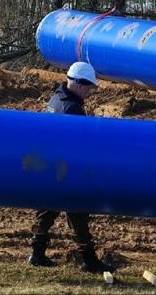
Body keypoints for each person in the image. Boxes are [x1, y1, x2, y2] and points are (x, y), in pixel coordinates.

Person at [28, 61, 115, 274]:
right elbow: (80, 144)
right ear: (77, 83)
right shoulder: (72, 108)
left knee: (47, 212)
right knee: (78, 213)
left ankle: (37, 254)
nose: (89, 92)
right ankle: (88, 259)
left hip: (52, 167)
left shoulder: (56, 98)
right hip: (66, 170)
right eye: (88, 87)